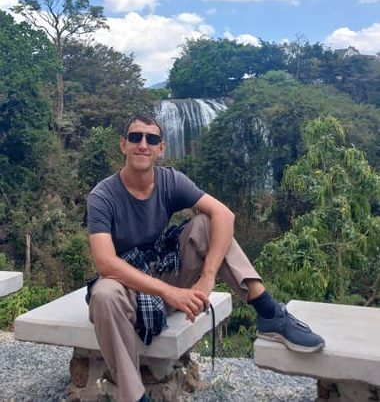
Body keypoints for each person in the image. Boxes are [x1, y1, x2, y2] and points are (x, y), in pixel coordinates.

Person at [87, 113, 324, 402]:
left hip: (166, 268)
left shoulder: (170, 180)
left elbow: (225, 214)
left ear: (161, 148)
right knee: (103, 294)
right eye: (135, 137)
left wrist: (206, 279)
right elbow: (105, 263)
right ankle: (135, 397)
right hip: (129, 288)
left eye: (152, 139)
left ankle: (269, 312)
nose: (143, 145)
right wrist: (170, 292)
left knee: (209, 225)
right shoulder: (103, 195)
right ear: (123, 145)